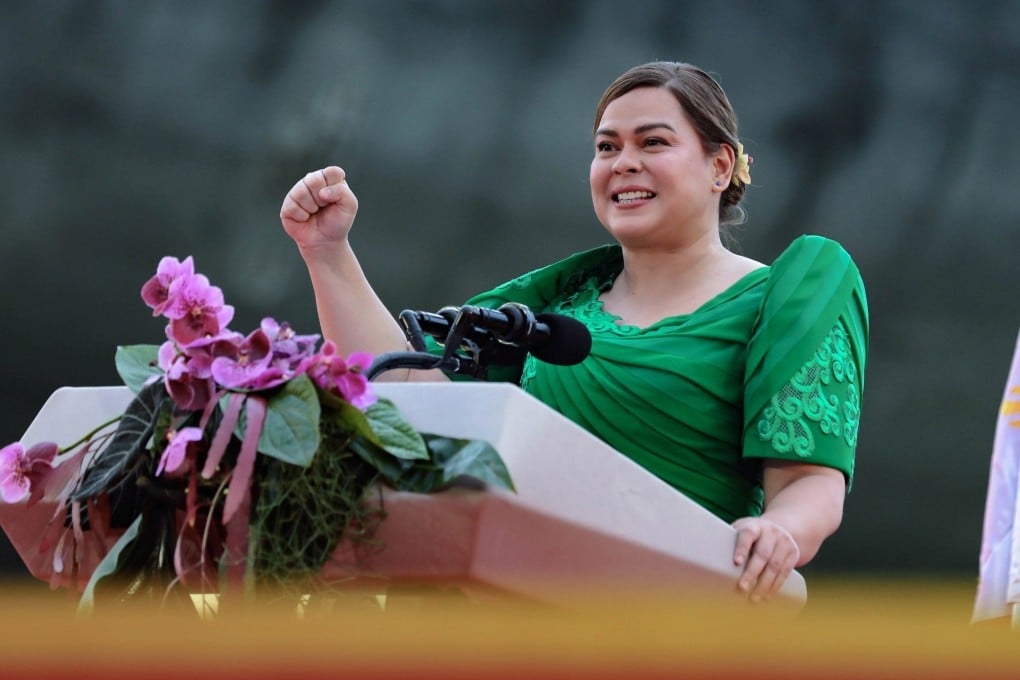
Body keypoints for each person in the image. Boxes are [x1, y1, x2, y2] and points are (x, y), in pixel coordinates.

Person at [280, 61, 869, 604]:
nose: (623, 163)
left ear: (720, 165)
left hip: (668, 620)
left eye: (653, 142)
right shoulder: (558, 304)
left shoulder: (785, 297)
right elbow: (405, 386)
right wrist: (328, 252)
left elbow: (810, 482)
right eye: (606, 147)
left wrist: (779, 532)